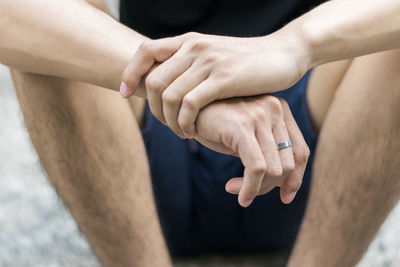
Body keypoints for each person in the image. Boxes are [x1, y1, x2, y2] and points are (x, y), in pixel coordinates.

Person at [1, 0, 400, 266]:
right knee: (45, 37)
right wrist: (183, 85)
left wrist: (292, 48)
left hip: (297, 154)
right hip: (134, 162)